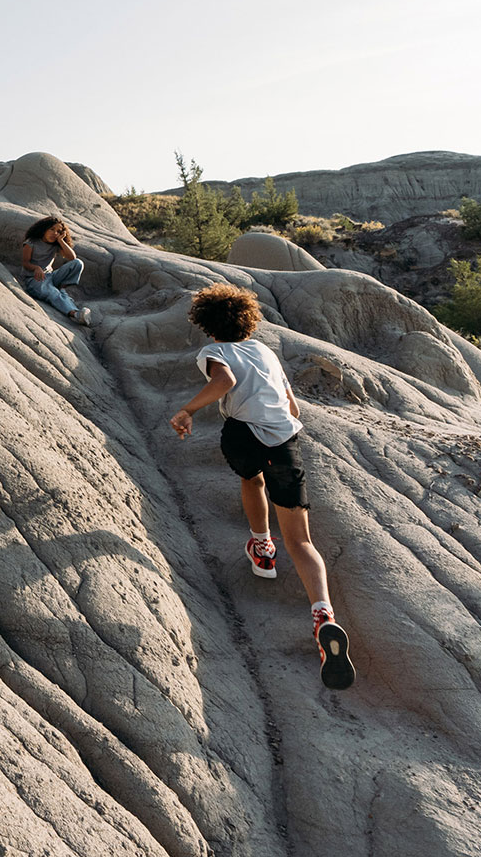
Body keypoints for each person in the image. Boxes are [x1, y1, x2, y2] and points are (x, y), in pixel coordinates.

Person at [168, 282, 354, 690]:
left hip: (243, 437)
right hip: (284, 441)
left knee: (250, 479)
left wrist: (187, 409)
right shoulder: (266, 351)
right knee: (302, 542)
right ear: (247, 320)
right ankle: (323, 615)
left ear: (208, 325)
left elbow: (225, 382)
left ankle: (262, 548)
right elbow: (293, 406)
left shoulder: (215, 351)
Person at [20, 216, 93, 326]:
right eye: (52, 229)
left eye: (58, 231)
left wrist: (61, 240)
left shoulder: (55, 245)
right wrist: (36, 268)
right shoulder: (31, 242)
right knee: (53, 293)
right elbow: (25, 263)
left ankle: (62, 289)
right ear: (44, 229)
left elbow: (72, 258)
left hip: (51, 276)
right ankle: (75, 314)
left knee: (77, 263)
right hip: (35, 279)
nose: (54, 233)